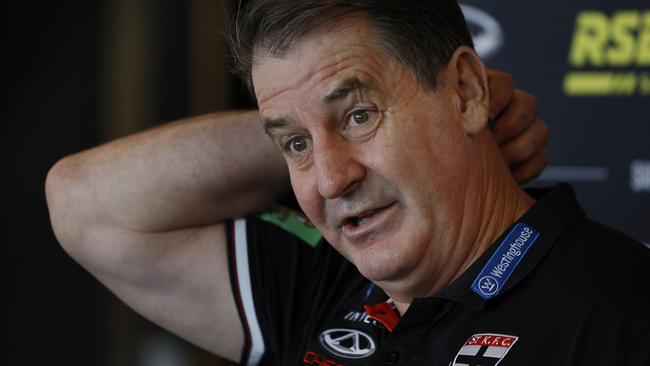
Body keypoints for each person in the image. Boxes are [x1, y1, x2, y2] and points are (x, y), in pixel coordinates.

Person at [45, 1, 648, 365]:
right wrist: (294, 120)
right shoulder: (324, 279)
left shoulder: (621, 309)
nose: (331, 180)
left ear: (464, 91)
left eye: (359, 115)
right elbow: (84, 201)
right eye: (297, 146)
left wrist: (302, 121)